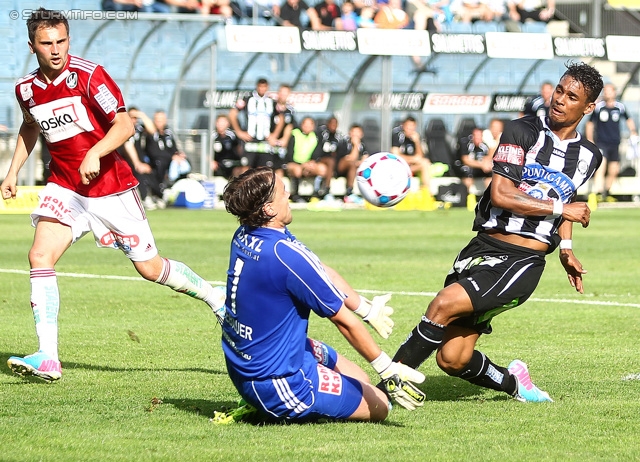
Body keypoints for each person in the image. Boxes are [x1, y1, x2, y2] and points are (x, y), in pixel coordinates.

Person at [1, 8, 226, 382]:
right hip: (66, 187)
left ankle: (214, 297)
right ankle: (48, 357)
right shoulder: (26, 89)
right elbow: (30, 128)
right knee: (39, 254)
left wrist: (95, 152)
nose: (56, 50)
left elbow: (125, 125)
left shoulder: (89, 76)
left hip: (110, 188)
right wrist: (12, 172)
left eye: (61, 41)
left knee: (150, 268)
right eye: (46, 44)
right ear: (31, 46)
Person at [390, 62, 604, 403]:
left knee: (443, 304)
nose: (559, 99)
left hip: (523, 260)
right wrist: (563, 211)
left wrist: (566, 247)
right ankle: (515, 384)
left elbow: (568, 194)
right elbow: (503, 194)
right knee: (452, 358)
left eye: (571, 96)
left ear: (588, 107)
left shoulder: (590, 156)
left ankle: (388, 387)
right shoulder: (521, 132)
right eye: (559, 91)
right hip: (482, 246)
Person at [219, 167, 425, 422]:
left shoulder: (248, 234)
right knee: (381, 405)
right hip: (276, 383)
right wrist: (387, 369)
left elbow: (319, 270)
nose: (289, 195)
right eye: (284, 192)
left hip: (253, 358)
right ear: (269, 209)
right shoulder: (284, 255)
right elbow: (343, 321)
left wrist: (366, 309)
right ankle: (268, 408)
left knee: (360, 378)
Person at [585, 83, 638, 203]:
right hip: (602, 142)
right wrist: (590, 139)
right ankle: (598, 192)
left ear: (614, 92)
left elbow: (628, 120)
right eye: (606, 91)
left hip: (615, 142)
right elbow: (590, 124)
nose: (607, 93)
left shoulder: (620, 107)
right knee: (601, 166)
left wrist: (633, 132)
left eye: (610, 91)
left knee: (614, 169)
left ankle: (607, 191)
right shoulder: (599, 107)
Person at [228, 78, 282, 171]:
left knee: (264, 170)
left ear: (267, 87)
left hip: (265, 141)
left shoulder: (271, 101)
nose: (262, 89)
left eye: (264, 87)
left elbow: (281, 118)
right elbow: (232, 114)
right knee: (245, 169)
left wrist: (274, 135)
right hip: (250, 140)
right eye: (260, 86)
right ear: (257, 87)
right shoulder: (247, 99)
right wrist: (239, 132)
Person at [391, 116, 436, 209]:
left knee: (425, 162)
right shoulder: (397, 136)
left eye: (412, 127)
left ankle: (427, 194)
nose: (410, 129)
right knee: (421, 161)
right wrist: (412, 159)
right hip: (399, 167)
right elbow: (395, 155)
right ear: (403, 126)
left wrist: (417, 142)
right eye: (408, 127)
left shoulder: (416, 138)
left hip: (411, 167)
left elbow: (420, 156)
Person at [285, 116, 325, 202]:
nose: (307, 127)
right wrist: (302, 164)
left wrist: (311, 163)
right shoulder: (294, 134)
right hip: (295, 163)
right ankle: (295, 195)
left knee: (322, 169)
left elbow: (318, 153)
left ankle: (316, 193)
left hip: (308, 164)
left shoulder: (316, 137)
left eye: (310, 125)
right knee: (297, 170)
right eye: (305, 125)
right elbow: (289, 153)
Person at [336, 123, 368, 202]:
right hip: (341, 168)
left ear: (361, 134)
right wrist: (355, 145)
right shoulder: (344, 143)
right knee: (352, 164)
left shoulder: (363, 145)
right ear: (350, 133)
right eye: (354, 132)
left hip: (355, 168)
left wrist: (360, 162)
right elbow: (351, 158)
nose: (355, 135)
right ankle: (349, 192)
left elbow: (365, 157)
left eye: (358, 132)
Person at [457, 126, 493, 195]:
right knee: (467, 171)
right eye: (476, 136)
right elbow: (466, 160)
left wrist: (486, 165)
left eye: (479, 136)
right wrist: (481, 165)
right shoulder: (467, 145)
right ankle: (467, 196)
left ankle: (489, 197)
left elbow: (487, 158)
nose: (478, 138)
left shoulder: (484, 146)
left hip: (481, 168)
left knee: (491, 173)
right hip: (470, 167)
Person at [269, 84, 296, 176]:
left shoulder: (290, 110)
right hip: (268, 141)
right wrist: (270, 137)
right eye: (282, 92)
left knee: (279, 169)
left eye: (286, 93)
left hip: (280, 144)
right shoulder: (270, 106)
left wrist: (284, 139)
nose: (283, 95)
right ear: (278, 93)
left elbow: (289, 126)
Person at [315, 116, 343, 198]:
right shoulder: (322, 135)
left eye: (335, 124)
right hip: (321, 159)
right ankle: (327, 188)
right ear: (328, 124)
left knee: (331, 162)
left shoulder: (339, 137)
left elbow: (340, 152)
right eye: (332, 124)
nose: (333, 126)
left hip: (333, 162)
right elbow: (318, 149)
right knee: (330, 162)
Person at [211, 114, 245, 179]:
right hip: (218, 164)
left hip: (232, 163)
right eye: (219, 122)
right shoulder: (212, 136)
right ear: (216, 123)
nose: (221, 125)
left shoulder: (232, 136)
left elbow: (239, 149)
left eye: (223, 122)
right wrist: (210, 161)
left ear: (228, 124)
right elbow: (206, 151)